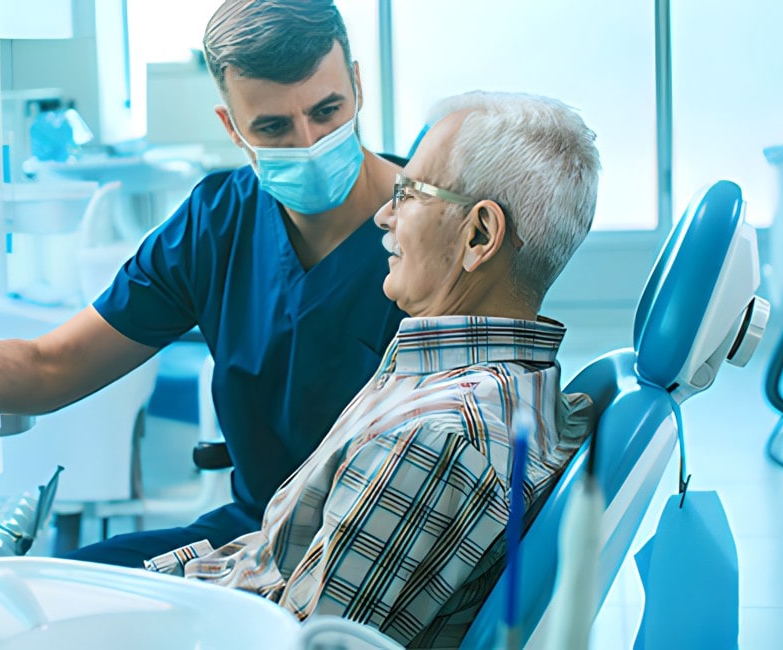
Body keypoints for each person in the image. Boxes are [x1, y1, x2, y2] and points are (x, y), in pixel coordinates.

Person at [0, 0, 406, 568]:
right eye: (273, 127)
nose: (308, 143)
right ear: (232, 127)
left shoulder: (432, 230)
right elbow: (53, 364)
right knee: (54, 593)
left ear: (356, 83)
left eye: (326, 112)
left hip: (379, 543)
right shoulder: (217, 226)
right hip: (253, 534)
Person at [141, 90, 600, 648]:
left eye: (408, 193)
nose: (384, 213)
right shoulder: (477, 381)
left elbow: (302, 642)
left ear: (479, 236)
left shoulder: (439, 437)